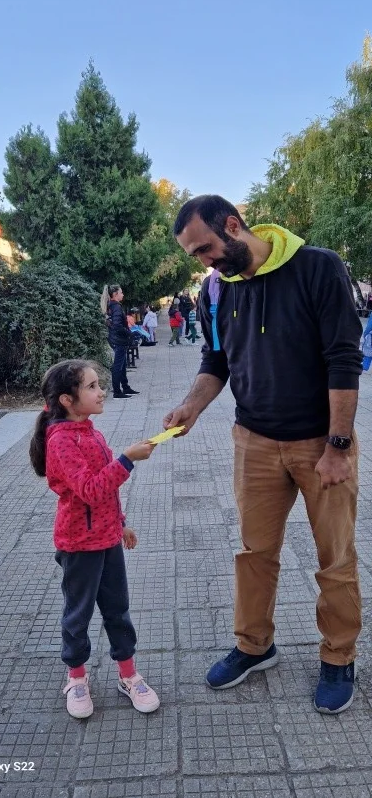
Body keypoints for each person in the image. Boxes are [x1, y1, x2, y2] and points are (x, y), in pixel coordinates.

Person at [164, 194, 363, 715]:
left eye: (205, 248)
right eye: (194, 254)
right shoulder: (216, 288)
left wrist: (339, 445)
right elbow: (216, 360)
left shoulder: (317, 267)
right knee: (254, 553)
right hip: (253, 441)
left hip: (321, 443)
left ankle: (338, 656)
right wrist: (191, 406)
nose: (204, 261)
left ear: (233, 225)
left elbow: (344, 359)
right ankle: (254, 645)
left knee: (335, 558)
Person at [29, 359, 160, 719]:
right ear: (67, 400)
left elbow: (106, 492)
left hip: (108, 539)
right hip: (79, 546)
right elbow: (90, 489)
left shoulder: (89, 431)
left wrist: (121, 524)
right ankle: (76, 678)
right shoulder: (61, 441)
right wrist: (127, 459)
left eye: (98, 384)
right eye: (91, 386)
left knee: (118, 609)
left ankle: (128, 675)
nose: (101, 391)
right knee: (78, 614)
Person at [100, 284, 139, 399]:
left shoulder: (112, 306)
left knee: (122, 365)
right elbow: (117, 325)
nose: (123, 294)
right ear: (115, 294)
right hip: (118, 340)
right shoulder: (116, 307)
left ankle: (125, 387)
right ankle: (117, 392)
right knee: (118, 366)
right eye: (121, 292)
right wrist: (129, 333)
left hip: (115, 339)